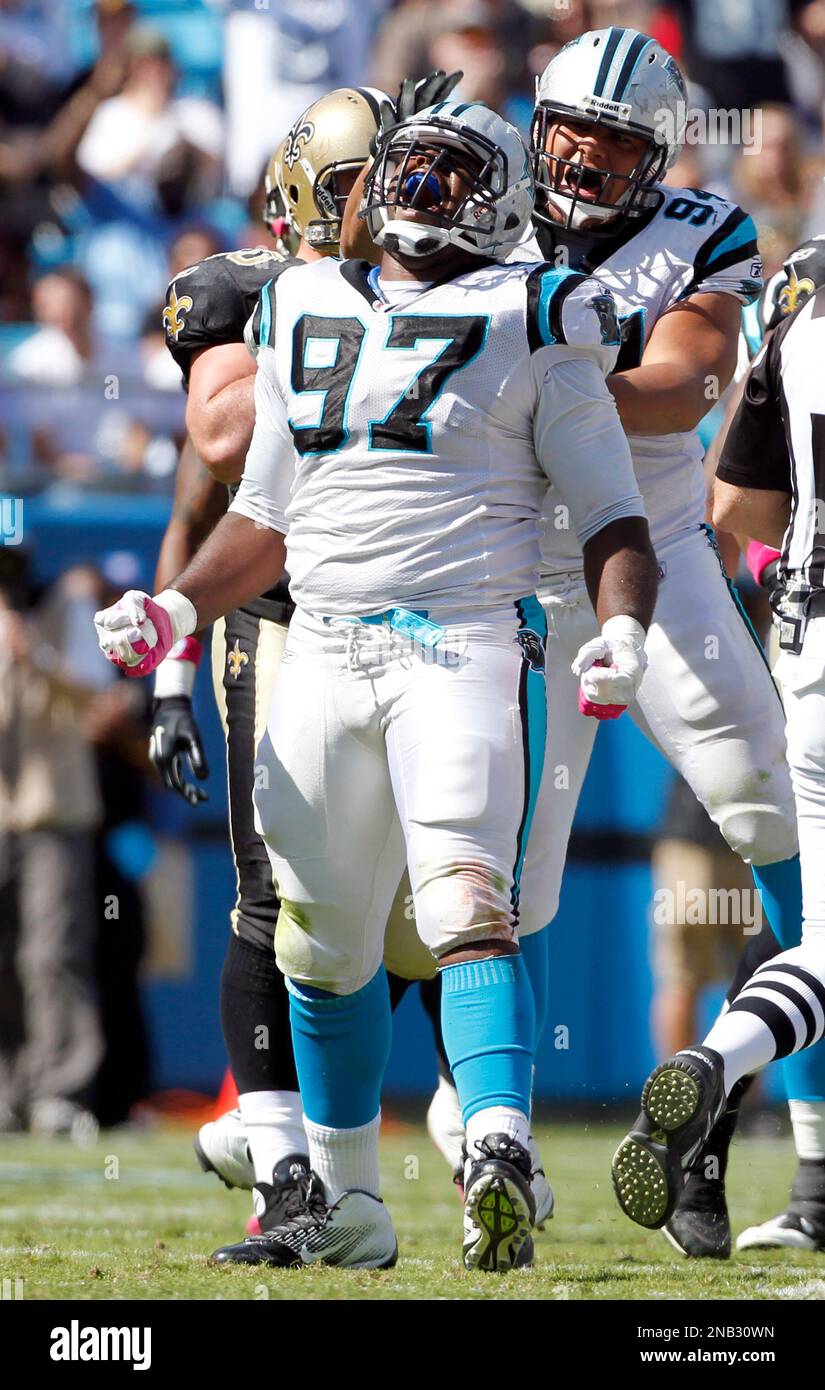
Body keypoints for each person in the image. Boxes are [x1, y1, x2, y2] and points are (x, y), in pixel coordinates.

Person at [94, 98, 658, 1271]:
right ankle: (348, 1200)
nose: (418, 190)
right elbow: (263, 511)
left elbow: (614, 512)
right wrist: (178, 610)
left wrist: (626, 628)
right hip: (322, 653)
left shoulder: (540, 308)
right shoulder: (298, 302)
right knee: (321, 939)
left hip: (463, 645)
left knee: (465, 898)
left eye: (453, 175)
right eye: (410, 168)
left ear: (502, 201)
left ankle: (497, 1142)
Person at [150, 76, 476, 1260]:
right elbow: (220, 446)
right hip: (285, 619)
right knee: (267, 897)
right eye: (355, 189)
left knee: (421, 912)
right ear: (301, 195)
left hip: (436, 624)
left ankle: (473, 1126)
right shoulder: (239, 292)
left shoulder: (464, 289)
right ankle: (293, 1173)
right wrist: (170, 676)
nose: (382, 211)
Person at [506, 27, 803, 1261]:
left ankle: (785, 1151)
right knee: (498, 879)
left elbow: (683, 382)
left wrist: (526, 374)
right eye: (571, 127)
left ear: (660, 154)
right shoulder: (478, 203)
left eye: (618, 139)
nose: (585, 155)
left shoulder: (699, 231)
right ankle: (497, 1150)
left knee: (777, 819)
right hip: (505, 568)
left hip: (659, 548)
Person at [612, 280, 825, 1243]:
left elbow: (735, 499)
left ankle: (719, 1114)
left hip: (801, 640)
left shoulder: (801, 295)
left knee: (805, 922)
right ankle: (716, 1081)